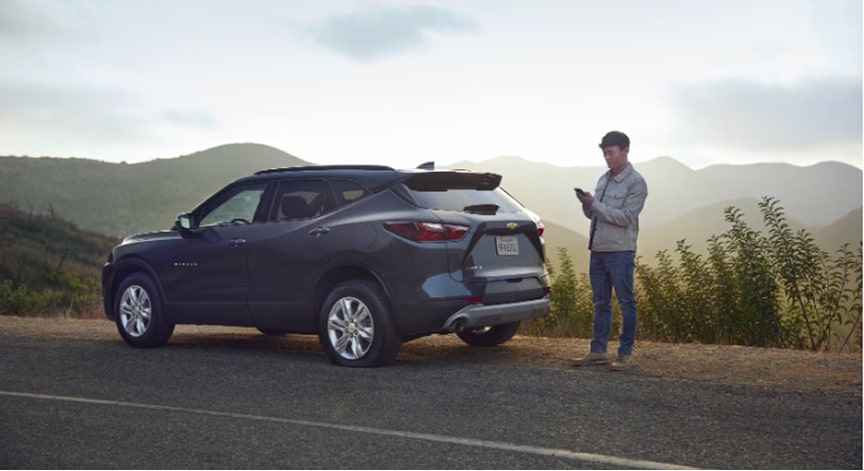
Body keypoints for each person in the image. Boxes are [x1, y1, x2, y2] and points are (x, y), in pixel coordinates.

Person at [573, 131, 648, 371]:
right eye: (605, 153)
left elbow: (625, 218)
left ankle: (625, 354)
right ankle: (598, 351)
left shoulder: (636, 182)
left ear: (625, 150)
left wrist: (594, 204)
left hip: (620, 251)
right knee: (600, 303)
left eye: (611, 153)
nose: (608, 157)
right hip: (598, 249)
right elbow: (596, 214)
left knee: (626, 302)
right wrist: (587, 204)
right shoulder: (603, 180)